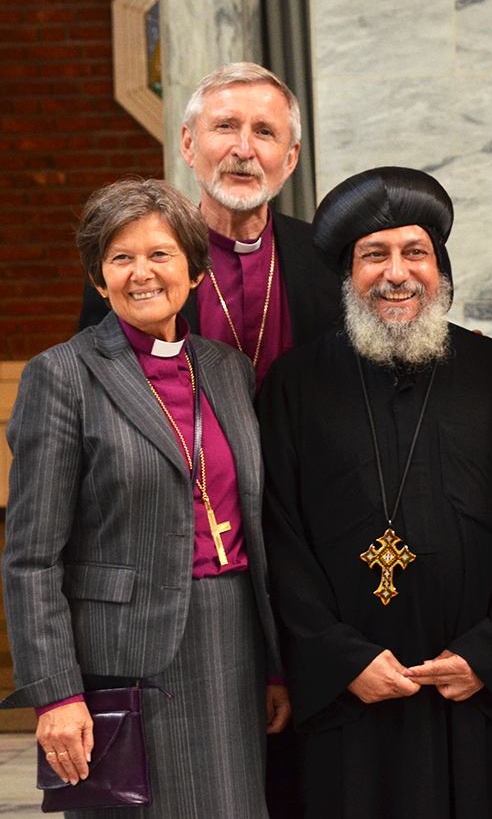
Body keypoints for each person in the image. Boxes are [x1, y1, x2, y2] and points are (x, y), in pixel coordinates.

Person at [257, 166, 492, 819]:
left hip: (466, 692)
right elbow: (278, 533)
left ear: (440, 268)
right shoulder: (295, 385)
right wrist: (341, 659)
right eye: (374, 255)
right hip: (349, 703)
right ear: (347, 274)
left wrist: (490, 652)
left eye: (415, 252)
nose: (397, 274)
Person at [3, 177, 290, 817]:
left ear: (194, 270)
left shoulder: (227, 370)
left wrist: (274, 663)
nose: (142, 273)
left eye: (160, 254)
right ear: (99, 278)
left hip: (233, 640)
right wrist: (55, 693)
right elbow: (30, 558)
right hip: (124, 657)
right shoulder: (63, 375)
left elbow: (254, 521)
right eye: (121, 257)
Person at [79, 62, 339, 386]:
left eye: (264, 132)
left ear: (290, 159)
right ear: (189, 145)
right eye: (226, 126)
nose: (243, 150)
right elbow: (96, 381)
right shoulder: (130, 263)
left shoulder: (328, 258)